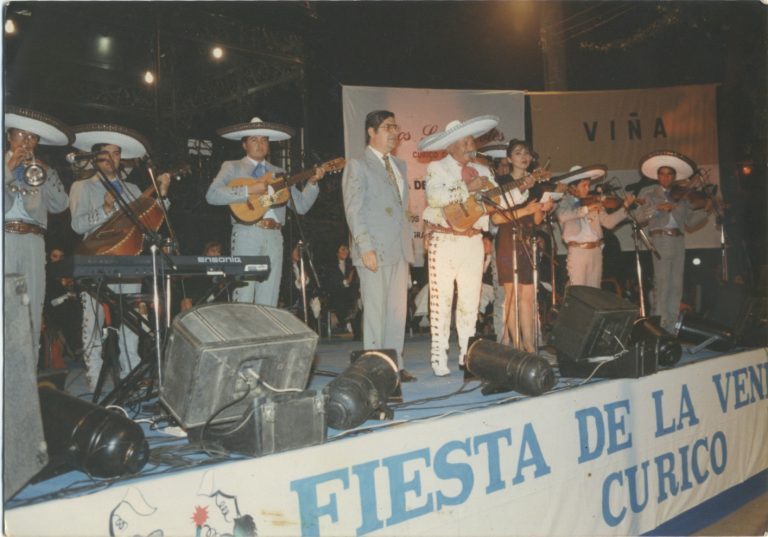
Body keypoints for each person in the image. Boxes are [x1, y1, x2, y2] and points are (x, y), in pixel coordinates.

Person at [69, 124, 171, 391]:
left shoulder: (133, 188)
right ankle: (93, 378)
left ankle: (130, 373)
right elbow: (77, 226)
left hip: (128, 260)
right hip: (95, 260)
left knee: (131, 318)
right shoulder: (82, 186)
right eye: (106, 154)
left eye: (116, 153)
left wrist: (161, 194)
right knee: (93, 320)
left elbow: (152, 220)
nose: (112, 159)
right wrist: (104, 209)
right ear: (95, 157)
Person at [206, 117, 323, 307]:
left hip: (275, 235)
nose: (260, 144)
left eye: (264, 140)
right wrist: (248, 190)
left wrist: (312, 183)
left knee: (269, 298)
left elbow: (300, 206)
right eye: (254, 140)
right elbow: (212, 195)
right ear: (244, 144)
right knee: (243, 294)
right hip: (247, 233)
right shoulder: (232, 166)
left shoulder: (279, 172)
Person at [418, 115, 499, 376]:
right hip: (444, 239)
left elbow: (498, 199)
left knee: (470, 301)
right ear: (450, 145)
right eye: (464, 141)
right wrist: (466, 187)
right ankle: (439, 357)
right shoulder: (437, 167)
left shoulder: (484, 170)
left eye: (471, 140)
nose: (469, 145)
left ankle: (468, 355)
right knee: (441, 300)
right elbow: (434, 197)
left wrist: (519, 191)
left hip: (473, 240)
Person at [342, 110, 416, 382]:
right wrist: (364, 247)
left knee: (397, 310)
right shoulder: (358, 165)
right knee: (375, 311)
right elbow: (354, 210)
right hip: (374, 248)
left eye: (396, 127)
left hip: (399, 247)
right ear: (371, 132)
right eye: (387, 127)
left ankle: (394, 364)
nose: (394, 132)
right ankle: (374, 366)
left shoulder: (400, 165)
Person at [4, 107, 72, 364]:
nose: (27, 141)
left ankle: (28, 381)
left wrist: (47, 174)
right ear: (10, 136)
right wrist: (8, 168)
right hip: (5, 240)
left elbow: (61, 205)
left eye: (33, 137)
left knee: (32, 310)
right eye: (21, 134)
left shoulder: (43, 169)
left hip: (34, 242)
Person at [637, 151, 714, 332]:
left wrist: (706, 211)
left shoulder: (682, 196)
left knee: (676, 286)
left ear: (674, 177)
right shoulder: (649, 194)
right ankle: (659, 328)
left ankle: (671, 328)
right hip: (660, 239)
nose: (665, 177)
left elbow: (690, 222)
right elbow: (639, 217)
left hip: (678, 241)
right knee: (662, 285)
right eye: (662, 174)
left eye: (669, 174)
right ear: (658, 176)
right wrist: (657, 208)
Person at [491, 139, 554, 353]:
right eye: (518, 153)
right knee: (512, 296)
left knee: (528, 296)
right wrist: (525, 210)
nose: (524, 156)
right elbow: (497, 219)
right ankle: (515, 345)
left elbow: (536, 220)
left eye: (527, 153)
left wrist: (544, 208)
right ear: (509, 159)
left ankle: (529, 345)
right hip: (508, 240)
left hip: (527, 240)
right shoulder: (501, 182)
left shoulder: (534, 185)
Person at [554, 165, 635, 288]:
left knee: (594, 290)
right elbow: (563, 216)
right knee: (578, 290)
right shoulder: (564, 202)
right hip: (578, 251)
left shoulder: (593, 202)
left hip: (596, 251)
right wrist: (586, 209)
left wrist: (625, 208)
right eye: (584, 186)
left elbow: (608, 222)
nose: (587, 189)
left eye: (588, 185)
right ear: (572, 187)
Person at [323, 243, 360, 337]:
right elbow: (331, 282)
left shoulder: (351, 264)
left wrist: (349, 283)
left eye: (347, 249)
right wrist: (346, 282)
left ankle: (355, 330)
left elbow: (354, 281)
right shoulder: (331, 266)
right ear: (337, 252)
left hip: (350, 293)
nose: (346, 251)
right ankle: (346, 321)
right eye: (343, 249)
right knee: (340, 297)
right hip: (336, 293)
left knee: (355, 297)